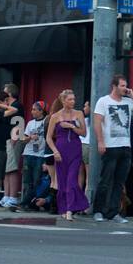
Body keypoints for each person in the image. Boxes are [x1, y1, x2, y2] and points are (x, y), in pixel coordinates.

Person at [91, 75, 133, 223]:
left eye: (125, 85)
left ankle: (113, 212)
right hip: (110, 146)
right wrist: (100, 141)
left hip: (125, 146)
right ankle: (98, 210)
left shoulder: (128, 102)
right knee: (105, 180)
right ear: (114, 86)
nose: (124, 88)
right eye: (122, 85)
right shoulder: (103, 101)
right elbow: (97, 122)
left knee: (119, 182)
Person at [47, 90, 88, 221]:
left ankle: (70, 209)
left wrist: (71, 126)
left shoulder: (79, 113)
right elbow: (48, 138)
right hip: (61, 150)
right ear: (63, 101)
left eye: (73, 99)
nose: (73, 101)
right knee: (62, 181)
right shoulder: (55, 116)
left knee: (72, 180)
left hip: (75, 149)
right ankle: (64, 208)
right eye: (70, 99)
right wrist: (55, 151)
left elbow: (83, 133)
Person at [18, 101, 49, 210]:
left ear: (41, 111)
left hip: (40, 155)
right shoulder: (30, 123)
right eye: (32, 109)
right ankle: (25, 202)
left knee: (37, 180)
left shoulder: (46, 121)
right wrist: (30, 137)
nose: (32, 112)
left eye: (35, 109)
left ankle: (31, 203)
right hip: (29, 153)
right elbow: (23, 139)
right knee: (27, 180)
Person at [1, 83, 25, 207]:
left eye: (5, 92)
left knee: (13, 169)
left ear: (9, 93)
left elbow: (19, 123)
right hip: (7, 140)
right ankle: (6, 195)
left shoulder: (17, 106)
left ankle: (13, 197)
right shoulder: (10, 106)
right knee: (7, 170)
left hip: (13, 140)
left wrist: (14, 139)